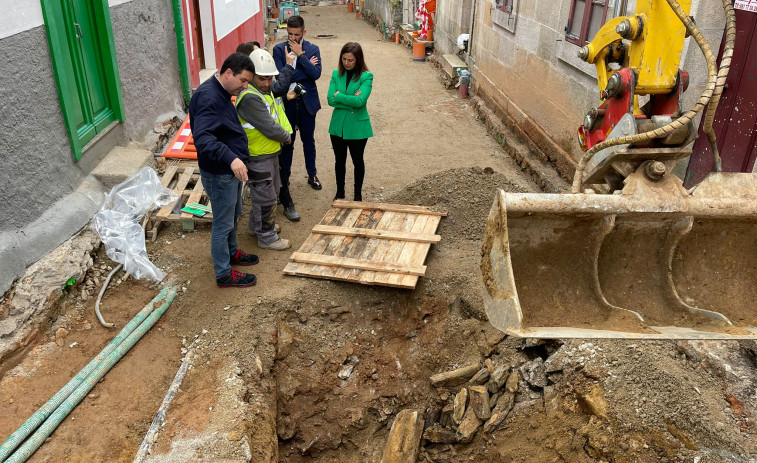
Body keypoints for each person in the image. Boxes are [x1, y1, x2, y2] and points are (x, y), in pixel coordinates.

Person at [189, 53, 259, 288]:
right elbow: (204, 140)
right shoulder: (208, 97)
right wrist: (232, 159)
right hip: (220, 173)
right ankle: (223, 273)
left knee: (233, 213)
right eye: (243, 80)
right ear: (228, 73)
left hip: (228, 172)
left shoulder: (221, 91)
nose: (245, 86)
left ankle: (231, 253)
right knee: (222, 223)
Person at [235, 49, 295, 251]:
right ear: (251, 76)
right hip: (258, 156)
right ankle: (267, 236)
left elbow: (275, 116)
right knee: (266, 197)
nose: (267, 83)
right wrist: (286, 136)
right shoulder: (251, 98)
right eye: (262, 79)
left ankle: (257, 225)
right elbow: (269, 126)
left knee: (268, 193)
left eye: (270, 79)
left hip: (268, 153)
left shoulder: (263, 91)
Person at [273, 15, 323, 222]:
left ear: (304, 32)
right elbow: (280, 78)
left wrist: (300, 57)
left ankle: (312, 174)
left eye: (297, 34)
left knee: (308, 141)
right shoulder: (278, 50)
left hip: (307, 103)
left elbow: (316, 74)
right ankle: (285, 181)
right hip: (287, 104)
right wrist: (302, 67)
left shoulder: (312, 49)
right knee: (287, 143)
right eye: (290, 35)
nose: (293, 39)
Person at [327, 42, 373, 202]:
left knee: (357, 161)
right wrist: (350, 99)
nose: (347, 63)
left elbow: (360, 101)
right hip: (338, 126)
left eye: (350, 60)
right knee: (339, 161)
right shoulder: (335, 74)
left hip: (358, 127)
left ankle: (357, 195)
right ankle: (340, 193)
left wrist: (339, 96)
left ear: (358, 60)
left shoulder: (366, 76)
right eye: (344, 59)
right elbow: (329, 100)